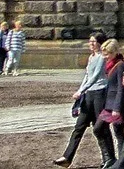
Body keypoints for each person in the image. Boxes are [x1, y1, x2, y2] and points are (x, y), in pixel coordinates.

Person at [51, 33, 108, 168]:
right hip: (89, 95)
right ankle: (67, 157)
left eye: (94, 41)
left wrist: (81, 90)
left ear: (100, 43)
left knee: (100, 128)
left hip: (100, 93)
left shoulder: (101, 57)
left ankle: (108, 158)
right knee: (79, 126)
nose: (91, 44)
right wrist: (81, 90)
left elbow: (95, 77)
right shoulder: (91, 57)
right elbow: (87, 77)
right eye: (90, 41)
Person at [91, 40, 124, 169]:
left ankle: (122, 163)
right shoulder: (110, 65)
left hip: (116, 105)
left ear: (114, 52)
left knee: (119, 133)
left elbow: (122, 88)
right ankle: (111, 158)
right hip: (108, 104)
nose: (105, 57)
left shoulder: (121, 65)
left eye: (107, 54)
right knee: (98, 128)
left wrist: (117, 108)